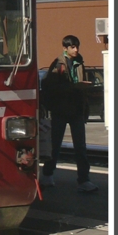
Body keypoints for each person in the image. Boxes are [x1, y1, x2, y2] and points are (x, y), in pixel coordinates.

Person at [40, 35, 97, 193]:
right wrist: (74, 87)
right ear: (65, 48)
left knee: (81, 147)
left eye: (77, 46)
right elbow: (51, 87)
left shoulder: (79, 62)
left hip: (77, 110)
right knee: (55, 146)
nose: (76, 49)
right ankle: (47, 174)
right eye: (72, 47)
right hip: (60, 110)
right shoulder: (58, 64)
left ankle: (84, 180)